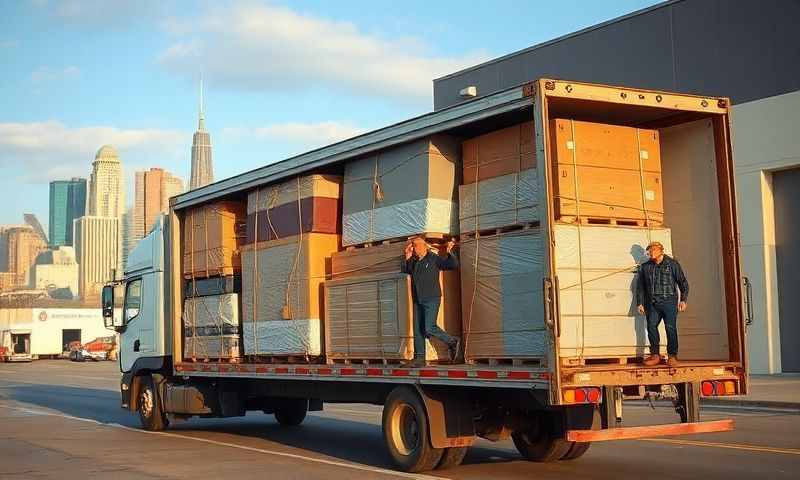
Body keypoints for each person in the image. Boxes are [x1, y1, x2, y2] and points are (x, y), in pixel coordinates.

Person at [402, 236, 461, 363]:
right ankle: (419, 358)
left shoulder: (433, 258)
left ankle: (452, 341)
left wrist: (450, 252)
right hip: (418, 299)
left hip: (432, 298)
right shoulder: (414, 260)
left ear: (424, 246)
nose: (413, 248)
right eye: (412, 245)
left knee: (429, 327)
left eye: (415, 245)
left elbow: (452, 265)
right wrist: (407, 257)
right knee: (418, 329)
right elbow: (406, 271)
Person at [636, 241, 689, 367]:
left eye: (653, 250)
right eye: (649, 250)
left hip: (669, 302)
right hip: (652, 303)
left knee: (670, 328)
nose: (651, 252)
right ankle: (655, 355)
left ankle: (672, 356)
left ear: (661, 250)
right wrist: (640, 303)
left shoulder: (672, 264)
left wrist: (683, 300)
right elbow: (640, 287)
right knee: (651, 327)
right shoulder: (645, 267)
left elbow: (683, 283)